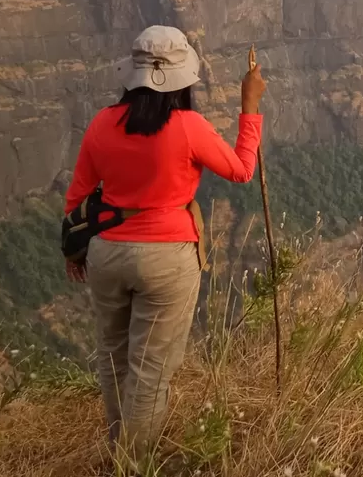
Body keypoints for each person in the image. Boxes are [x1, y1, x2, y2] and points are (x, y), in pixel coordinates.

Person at [64, 25, 265, 458]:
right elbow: (241, 170)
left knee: (113, 359)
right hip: (167, 259)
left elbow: (77, 196)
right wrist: (249, 106)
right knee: (150, 373)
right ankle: (133, 465)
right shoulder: (188, 127)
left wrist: (74, 250)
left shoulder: (103, 123)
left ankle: (120, 454)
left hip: (106, 254)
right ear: (183, 80)